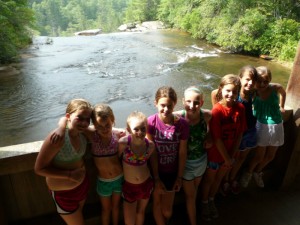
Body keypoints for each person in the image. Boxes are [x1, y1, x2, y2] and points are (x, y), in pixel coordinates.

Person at [51, 103, 125, 225]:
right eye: (99, 126)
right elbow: (66, 118)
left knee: (116, 207)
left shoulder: (117, 135)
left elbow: (133, 130)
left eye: (107, 125)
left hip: (119, 178)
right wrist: (61, 128)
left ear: (113, 121)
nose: (104, 129)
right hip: (104, 182)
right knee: (106, 209)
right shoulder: (93, 135)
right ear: (94, 125)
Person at [34, 98, 93, 225]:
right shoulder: (57, 138)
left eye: (88, 119)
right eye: (80, 118)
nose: (84, 123)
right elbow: (39, 168)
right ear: (68, 116)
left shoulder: (83, 133)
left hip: (82, 186)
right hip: (63, 194)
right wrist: (70, 175)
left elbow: (103, 129)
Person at [201, 75, 247, 220]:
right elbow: (217, 138)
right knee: (209, 180)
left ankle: (211, 200)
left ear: (238, 92)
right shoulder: (217, 110)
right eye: (228, 91)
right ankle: (203, 203)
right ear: (221, 90)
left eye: (234, 92)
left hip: (229, 155)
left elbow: (240, 134)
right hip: (215, 155)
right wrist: (227, 158)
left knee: (218, 180)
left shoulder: (240, 108)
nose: (231, 95)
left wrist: (231, 156)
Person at [212, 66, 258, 195]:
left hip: (247, 130)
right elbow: (216, 93)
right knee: (234, 156)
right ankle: (225, 179)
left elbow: (271, 86)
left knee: (240, 157)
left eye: (253, 80)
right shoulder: (235, 96)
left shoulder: (253, 93)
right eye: (247, 79)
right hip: (235, 132)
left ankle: (232, 178)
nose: (250, 83)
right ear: (240, 79)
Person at [147, 86, 189, 225]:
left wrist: (179, 177)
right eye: (162, 105)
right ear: (156, 103)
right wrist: (156, 178)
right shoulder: (150, 123)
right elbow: (151, 152)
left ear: (175, 104)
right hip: (156, 172)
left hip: (172, 172)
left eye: (169, 106)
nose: (165, 109)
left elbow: (182, 152)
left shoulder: (182, 124)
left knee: (167, 210)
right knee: (157, 204)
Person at [240, 66, 286, 188]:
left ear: (270, 80)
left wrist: (282, 105)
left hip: (277, 124)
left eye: (265, 81)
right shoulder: (253, 91)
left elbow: (283, 91)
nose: (262, 84)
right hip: (262, 125)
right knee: (259, 156)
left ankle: (257, 172)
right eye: (259, 81)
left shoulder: (274, 88)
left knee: (271, 156)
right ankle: (248, 172)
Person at [173, 86, 212, 225]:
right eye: (188, 101)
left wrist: (210, 137)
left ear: (201, 102)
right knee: (191, 196)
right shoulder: (177, 117)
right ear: (183, 101)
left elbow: (212, 129)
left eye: (196, 102)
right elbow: (156, 120)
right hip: (186, 164)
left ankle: (191, 212)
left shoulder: (206, 116)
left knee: (194, 192)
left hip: (201, 161)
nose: (192, 105)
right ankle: (193, 220)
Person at [118, 111, 155, 225]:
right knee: (129, 219)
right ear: (128, 130)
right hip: (129, 186)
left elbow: (146, 161)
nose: (140, 132)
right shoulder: (124, 143)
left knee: (140, 212)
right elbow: (116, 159)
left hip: (146, 184)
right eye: (136, 129)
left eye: (143, 129)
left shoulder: (150, 145)